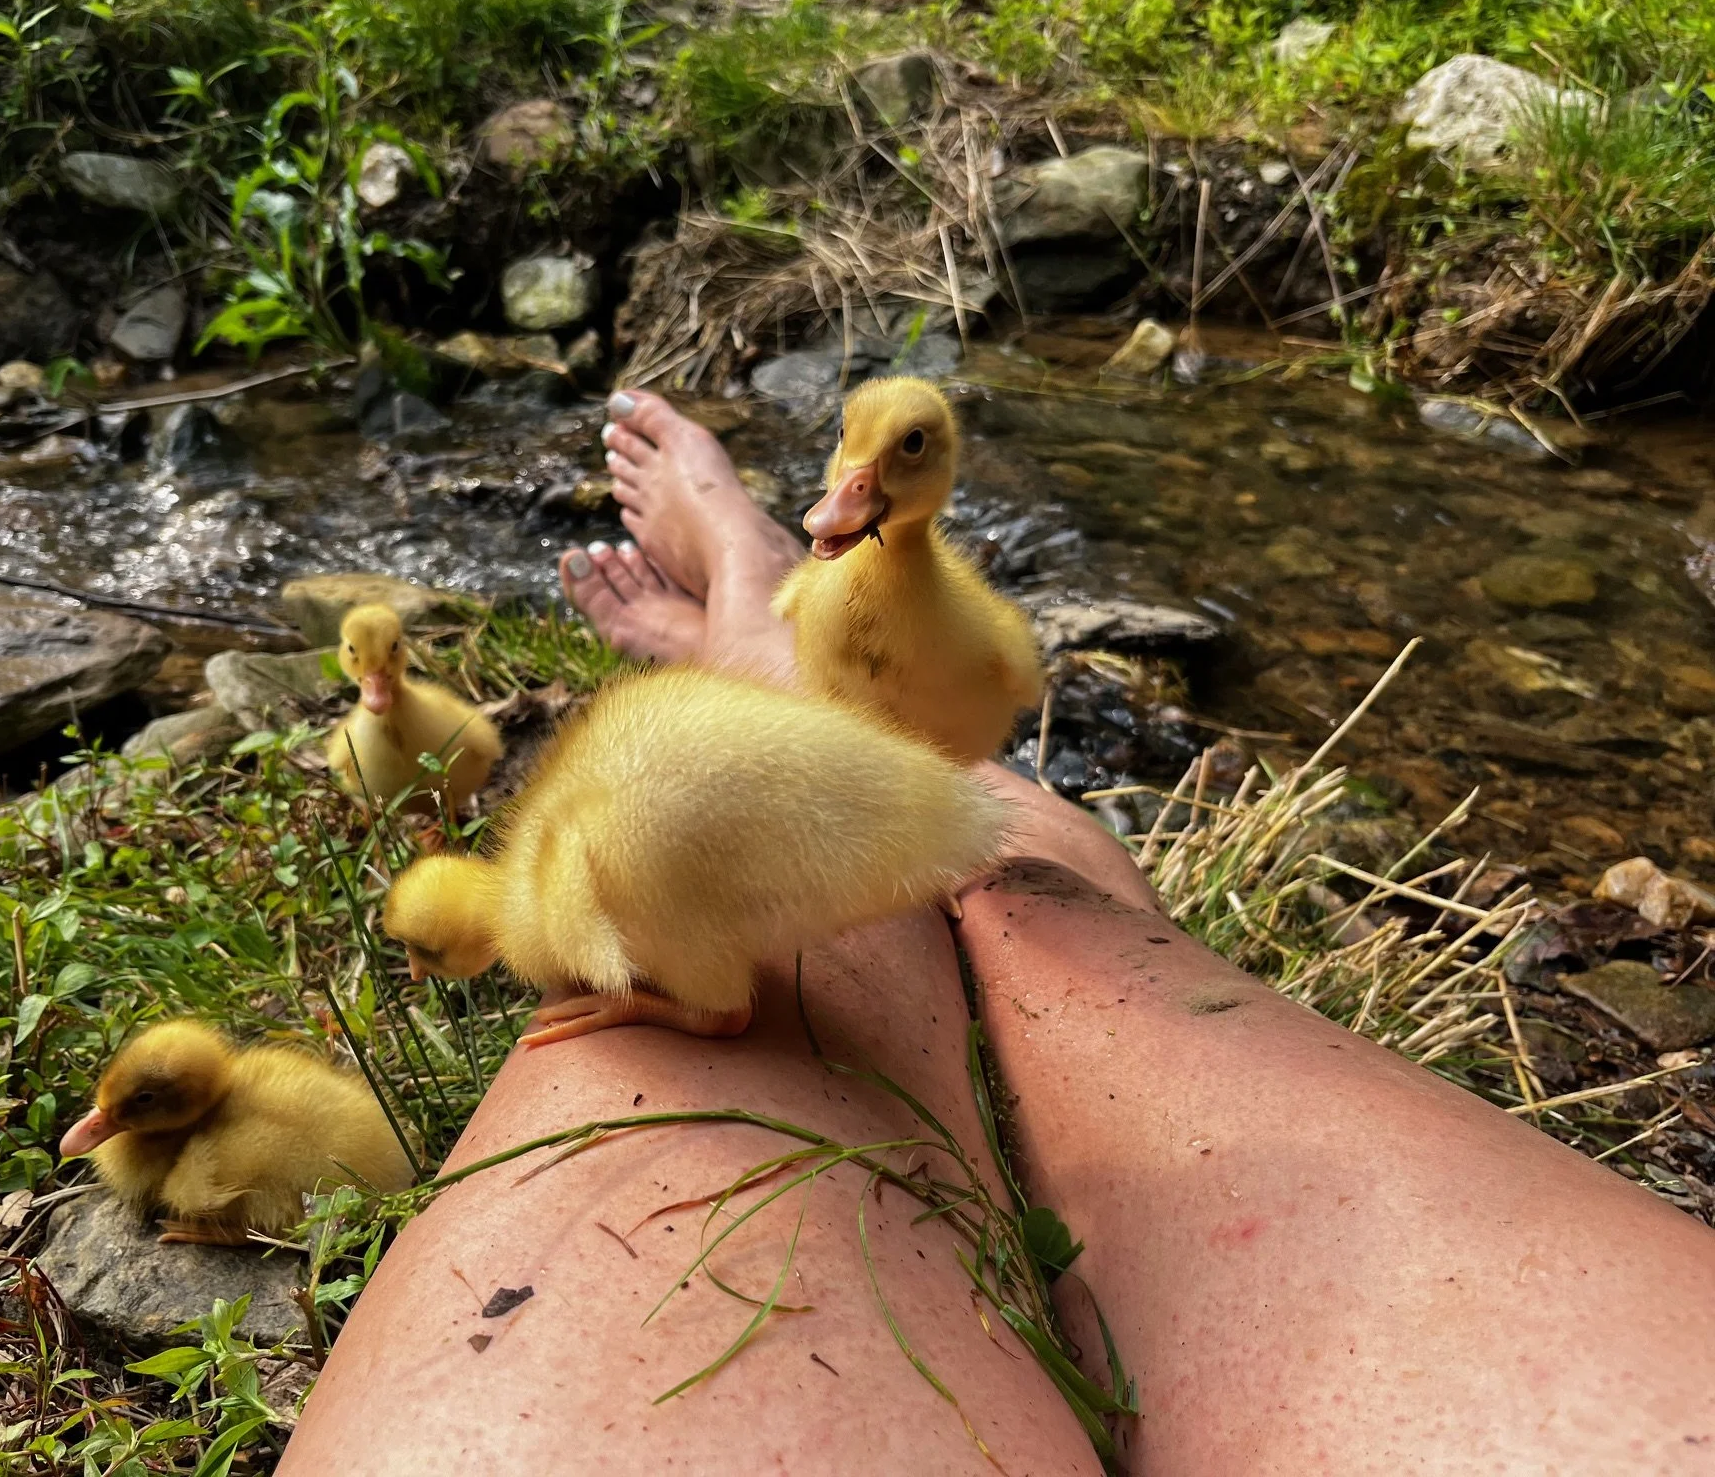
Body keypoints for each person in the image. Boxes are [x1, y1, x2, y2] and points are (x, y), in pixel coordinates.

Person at [282, 391, 1715, 1475]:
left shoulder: (549, 904)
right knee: (1055, 920)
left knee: (769, 885)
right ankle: (790, 648)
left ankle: (772, 637)